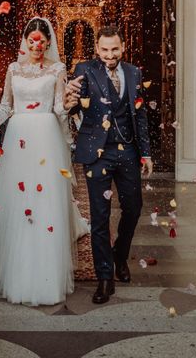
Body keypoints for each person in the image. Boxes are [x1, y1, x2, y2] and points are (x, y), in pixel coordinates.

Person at [0, 17, 89, 306]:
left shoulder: (58, 69)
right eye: (31, 40)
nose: (36, 45)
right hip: (18, 137)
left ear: (48, 41)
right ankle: (16, 266)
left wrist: (71, 102)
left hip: (46, 136)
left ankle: (45, 271)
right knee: (16, 197)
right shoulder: (13, 69)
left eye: (41, 39)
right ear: (25, 41)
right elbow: (6, 106)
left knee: (45, 199)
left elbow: (60, 108)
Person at [64, 25, 152, 304]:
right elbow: (72, 107)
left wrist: (146, 153)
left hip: (127, 150)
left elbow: (139, 117)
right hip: (97, 152)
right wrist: (68, 98)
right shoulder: (85, 70)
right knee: (99, 217)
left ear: (122, 47)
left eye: (114, 49)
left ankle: (119, 256)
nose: (109, 55)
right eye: (104, 49)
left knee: (134, 208)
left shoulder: (134, 72)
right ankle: (104, 278)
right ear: (97, 49)